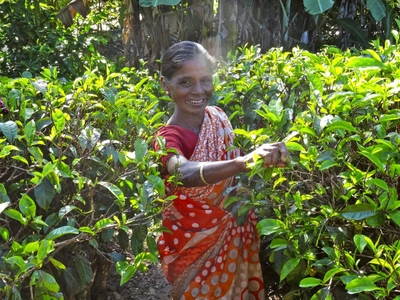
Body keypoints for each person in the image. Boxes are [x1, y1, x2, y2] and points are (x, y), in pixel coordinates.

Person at [153, 41, 290, 300]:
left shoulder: (217, 117)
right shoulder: (166, 139)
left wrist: (268, 156)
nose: (199, 90)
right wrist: (243, 162)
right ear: (165, 84)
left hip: (234, 231)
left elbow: (232, 166)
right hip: (192, 244)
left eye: (205, 80)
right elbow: (183, 171)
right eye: (185, 82)